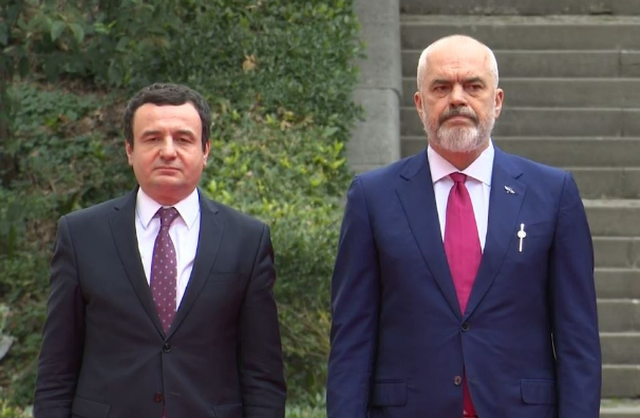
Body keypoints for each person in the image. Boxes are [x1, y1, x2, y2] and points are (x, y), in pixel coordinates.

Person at [327, 35, 601, 418]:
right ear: (419, 104)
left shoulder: (553, 194)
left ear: (497, 101)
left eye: (473, 86)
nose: (457, 98)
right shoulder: (373, 198)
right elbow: (351, 340)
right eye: (441, 87)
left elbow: (578, 339)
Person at [34, 83, 286, 418]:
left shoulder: (247, 240)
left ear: (205, 150)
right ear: (129, 150)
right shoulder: (81, 235)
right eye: (152, 138)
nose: (168, 151)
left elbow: (263, 376)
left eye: (183, 139)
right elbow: (56, 370)